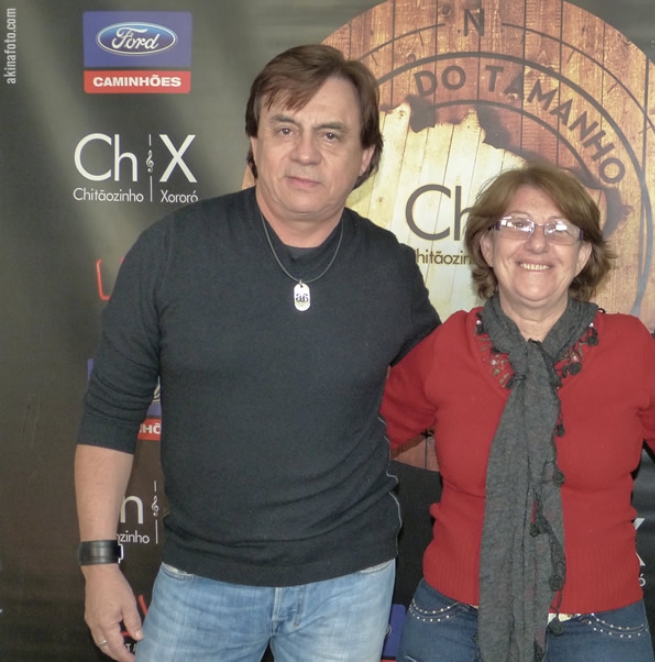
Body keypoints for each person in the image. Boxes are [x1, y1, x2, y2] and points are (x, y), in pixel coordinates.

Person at [74, 44, 439, 662]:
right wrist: (98, 562)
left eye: (331, 134)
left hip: (349, 583)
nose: (305, 152)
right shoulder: (171, 251)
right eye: (284, 128)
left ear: (365, 157)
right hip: (201, 579)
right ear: (254, 141)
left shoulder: (390, 268)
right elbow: (110, 414)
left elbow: (445, 392)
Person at [381, 162, 655, 661]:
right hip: (453, 622)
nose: (537, 243)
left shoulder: (632, 350)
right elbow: (360, 444)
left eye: (560, 229)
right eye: (517, 224)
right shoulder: (447, 347)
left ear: (583, 254)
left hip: (601, 627)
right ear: (486, 245)